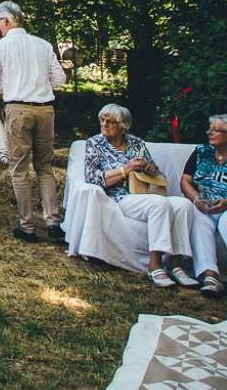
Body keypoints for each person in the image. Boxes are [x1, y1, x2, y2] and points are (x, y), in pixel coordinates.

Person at [84, 104, 196, 288]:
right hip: (120, 196)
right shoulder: (94, 144)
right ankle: (155, 265)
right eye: (102, 119)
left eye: (110, 121)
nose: (104, 124)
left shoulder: (136, 143)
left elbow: (157, 175)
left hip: (145, 192)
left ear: (123, 126)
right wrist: (125, 169)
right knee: (159, 204)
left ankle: (176, 265)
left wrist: (150, 169)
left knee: (184, 205)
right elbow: (92, 178)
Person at [0, 0, 69, 243]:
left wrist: (12, 88)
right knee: (45, 167)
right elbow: (60, 79)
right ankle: (53, 223)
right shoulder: (43, 45)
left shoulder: (0, 48)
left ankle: (28, 226)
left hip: (18, 109)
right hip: (45, 110)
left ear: (7, 20)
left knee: (19, 169)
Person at [181, 113, 227, 296]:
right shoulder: (201, 151)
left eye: (215, 130)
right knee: (199, 220)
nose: (209, 133)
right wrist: (196, 199)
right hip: (204, 204)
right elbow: (185, 181)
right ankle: (210, 276)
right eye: (210, 129)